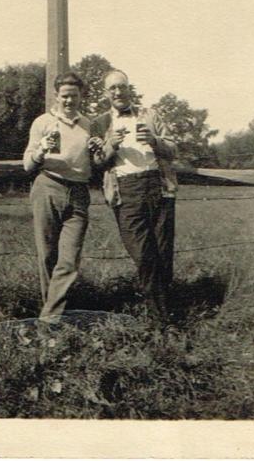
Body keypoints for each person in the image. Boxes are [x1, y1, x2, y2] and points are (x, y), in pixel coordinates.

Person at [91, 69, 177, 322]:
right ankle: (160, 318)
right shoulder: (99, 123)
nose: (118, 92)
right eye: (113, 88)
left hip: (158, 186)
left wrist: (154, 140)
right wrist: (111, 145)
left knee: (162, 252)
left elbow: (173, 149)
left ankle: (164, 313)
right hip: (125, 190)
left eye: (122, 87)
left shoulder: (150, 114)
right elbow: (95, 163)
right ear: (106, 94)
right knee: (143, 254)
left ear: (129, 89)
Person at [23, 71, 94, 322]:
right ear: (56, 96)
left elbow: (95, 162)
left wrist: (98, 151)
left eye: (74, 96)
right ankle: (53, 317)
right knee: (47, 255)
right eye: (64, 96)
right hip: (48, 187)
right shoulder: (42, 122)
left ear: (81, 96)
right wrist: (42, 148)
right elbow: (27, 165)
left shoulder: (88, 124)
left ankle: (48, 319)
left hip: (78, 192)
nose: (69, 101)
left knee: (69, 259)